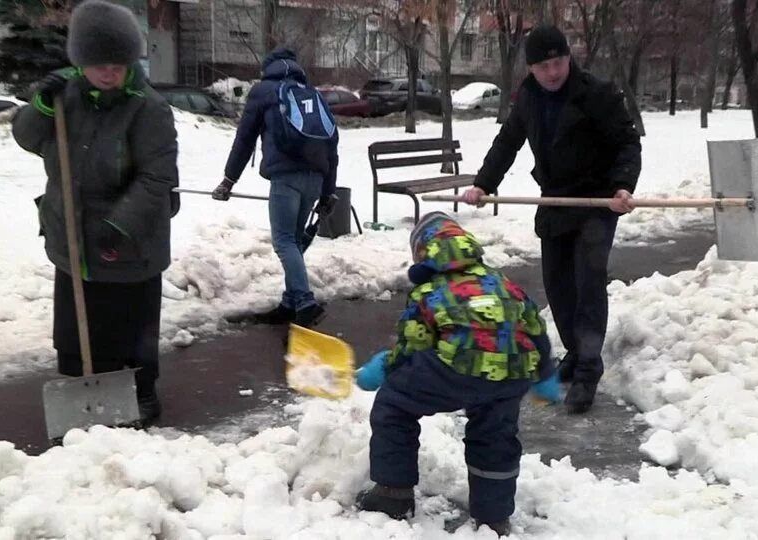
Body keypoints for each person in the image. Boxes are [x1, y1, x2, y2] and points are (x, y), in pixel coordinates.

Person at [12, 0, 179, 425]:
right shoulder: (63, 95)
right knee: (74, 328)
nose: (110, 72)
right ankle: (78, 388)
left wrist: (119, 224)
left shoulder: (149, 108)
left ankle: (141, 392)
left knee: (131, 327)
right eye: (99, 63)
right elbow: (28, 138)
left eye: (119, 63)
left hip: (131, 240)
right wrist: (42, 107)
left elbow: (157, 179)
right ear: (80, 60)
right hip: (71, 236)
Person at [461, 25, 641, 415]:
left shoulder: (596, 93)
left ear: (568, 58)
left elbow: (627, 141)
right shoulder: (528, 98)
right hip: (556, 200)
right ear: (531, 69)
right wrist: (483, 184)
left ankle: (589, 370)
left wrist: (622, 186)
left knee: (588, 283)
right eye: (543, 67)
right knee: (558, 287)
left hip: (596, 202)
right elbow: (507, 142)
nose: (553, 73)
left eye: (558, 63)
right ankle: (576, 354)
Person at [355, 211, 559, 536]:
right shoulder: (503, 284)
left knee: (394, 405)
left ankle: (393, 493)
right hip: (512, 371)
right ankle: (494, 518)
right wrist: (545, 374)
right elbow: (534, 326)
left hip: (456, 369)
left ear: (423, 254)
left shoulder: (428, 292)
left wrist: (385, 367)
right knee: (495, 435)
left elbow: (414, 344)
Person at [215, 47, 339, 329]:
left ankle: (305, 302)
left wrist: (228, 180)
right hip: (315, 179)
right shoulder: (312, 95)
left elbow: (244, 139)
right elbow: (332, 147)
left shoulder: (263, 91)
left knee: (284, 241)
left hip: (286, 178)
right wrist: (328, 190)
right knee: (294, 241)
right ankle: (289, 302)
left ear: (268, 69)